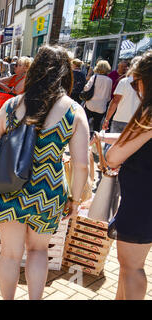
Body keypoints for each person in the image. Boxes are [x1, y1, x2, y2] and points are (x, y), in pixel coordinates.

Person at [0, 45, 90, 300]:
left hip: (9, 185)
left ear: (35, 71)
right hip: (48, 191)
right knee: (38, 252)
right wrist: (76, 200)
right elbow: (81, 164)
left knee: (10, 253)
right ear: (65, 74)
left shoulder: (13, 104)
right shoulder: (74, 110)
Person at [98, 50, 152, 300]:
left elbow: (113, 157)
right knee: (129, 267)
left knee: (132, 267)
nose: (135, 87)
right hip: (143, 199)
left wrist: (108, 145)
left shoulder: (149, 115)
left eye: (136, 81)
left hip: (142, 202)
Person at [102, 56, 142, 133]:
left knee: (113, 144)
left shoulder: (124, 81)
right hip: (137, 121)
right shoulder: (146, 83)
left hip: (120, 119)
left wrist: (107, 119)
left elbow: (115, 101)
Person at [82, 59, 112, 134]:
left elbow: (86, 88)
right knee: (97, 125)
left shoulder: (94, 77)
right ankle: (95, 140)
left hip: (90, 104)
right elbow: (108, 96)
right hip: (101, 106)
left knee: (84, 122)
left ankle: (83, 135)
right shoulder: (109, 80)